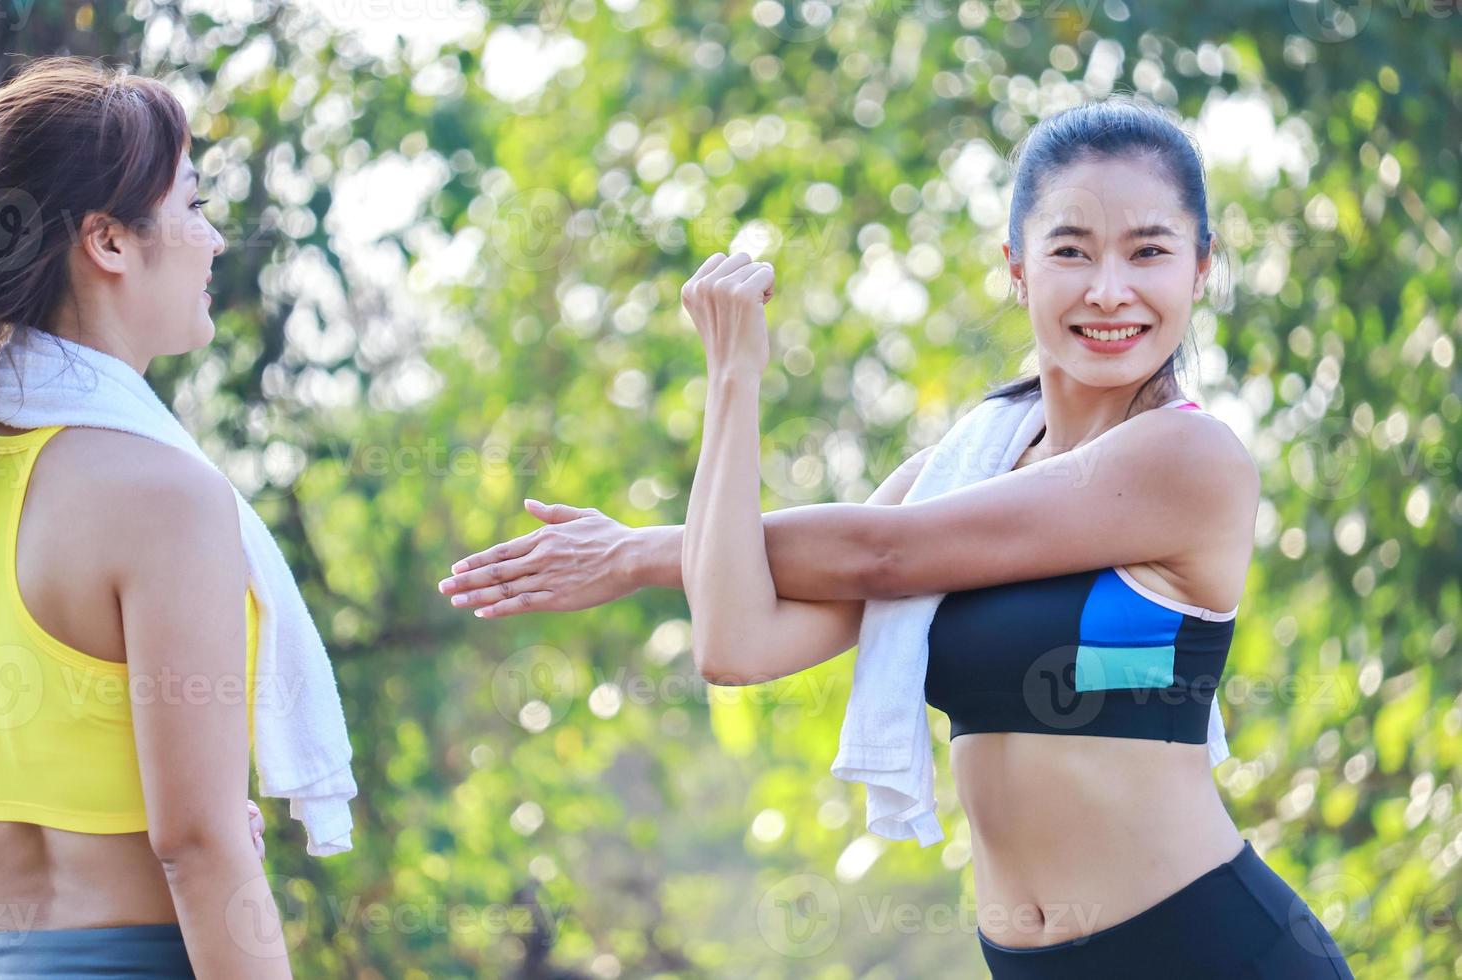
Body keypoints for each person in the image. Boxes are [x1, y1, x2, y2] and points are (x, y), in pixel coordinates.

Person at [440, 99, 1354, 976]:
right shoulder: (960, 468)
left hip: (1208, 951)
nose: (1108, 290)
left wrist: (640, 552)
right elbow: (737, 641)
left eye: (1147, 252)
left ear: (1198, 267)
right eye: (1070, 251)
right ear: (1016, 266)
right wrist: (733, 380)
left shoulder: (1188, 459)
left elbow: (882, 555)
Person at [0, 58, 291, 976]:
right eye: (190, 206)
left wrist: (60, 883)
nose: (213, 239)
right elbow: (196, 843)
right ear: (107, 240)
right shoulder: (167, 498)